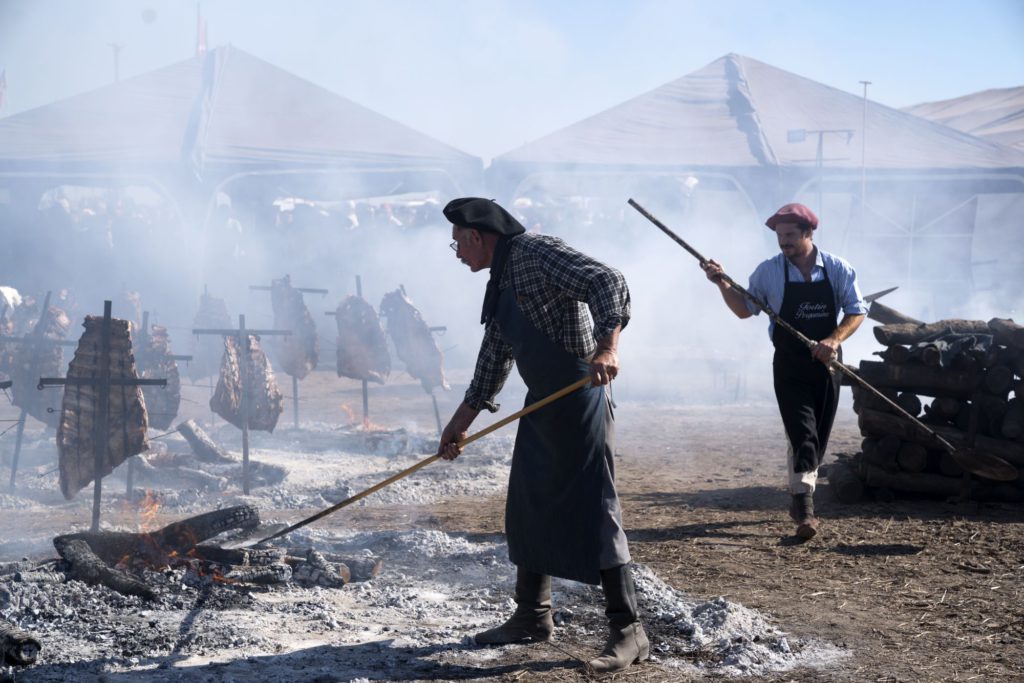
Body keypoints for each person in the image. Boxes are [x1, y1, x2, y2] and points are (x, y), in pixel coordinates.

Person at [437, 197, 648, 674]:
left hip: (580, 397)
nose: (457, 253)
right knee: (528, 504)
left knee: (595, 510)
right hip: (542, 406)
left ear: (477, 236)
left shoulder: (536, 252)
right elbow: (494, 357)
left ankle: (629, 631)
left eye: (457, 244)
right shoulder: (500, 281)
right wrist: (460, 422)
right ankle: (532, 616)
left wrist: (607, 347)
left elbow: (607, 280)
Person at [702, 203, 866, 539]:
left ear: (808, 233)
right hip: (789, 364)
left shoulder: (838, 268)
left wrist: (833, 340)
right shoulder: (768, 272)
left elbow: (856, 311)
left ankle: (798, 493)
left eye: (790, 235)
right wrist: (721, 284)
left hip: (827, 364)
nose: (783, 242)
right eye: (779, 236)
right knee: (801, 431)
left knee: (816, 436)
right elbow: (744, 310)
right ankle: (805, 509)